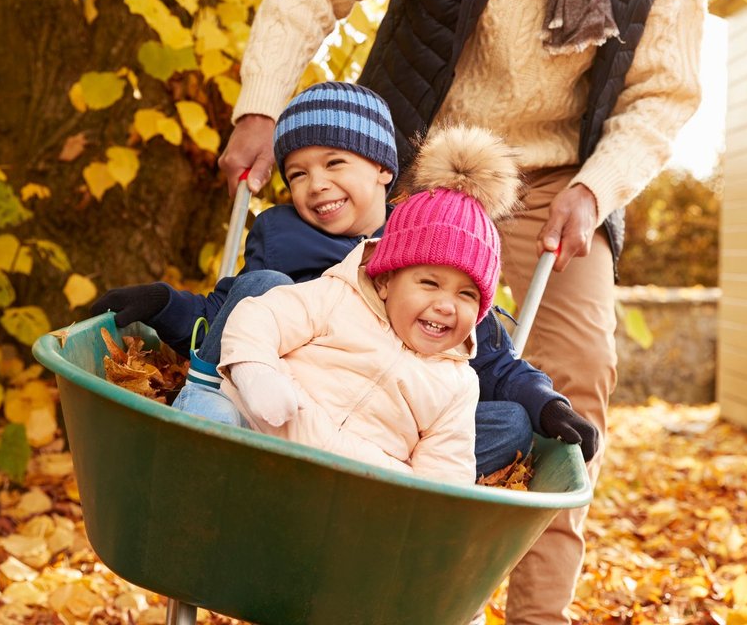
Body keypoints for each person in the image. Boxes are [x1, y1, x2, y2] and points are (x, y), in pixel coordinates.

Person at [214, 0, 704, 617]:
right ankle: (332, 569)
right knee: (339, 337)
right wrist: (260, 107)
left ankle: (536, 612)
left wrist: (596, 187)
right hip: (416, 157)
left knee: (575, 381)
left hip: (560, 181)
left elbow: (664, 93)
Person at [91, 82, 598, 477]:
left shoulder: (437, 244)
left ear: (383, 169)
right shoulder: (282, 237)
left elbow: (495, 360)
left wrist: (545, 403)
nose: (317, 185)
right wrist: (163, 303)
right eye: (297, 174)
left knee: (507, 422)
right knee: (262, 288)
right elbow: (227, 317)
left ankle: (389, 483)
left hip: (384, 434)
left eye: (335, 163)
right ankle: (208, 422)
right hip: (282, 405)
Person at [214, 124, 521, 483]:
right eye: (429, 284)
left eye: (466, 294)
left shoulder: (457, 385)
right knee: (222, 406)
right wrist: (257, 372)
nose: (446, 305)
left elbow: (444, 472)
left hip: (353, 484)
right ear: (386, 280)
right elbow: (260, 316)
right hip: (264, 429)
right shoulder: (339, 298)